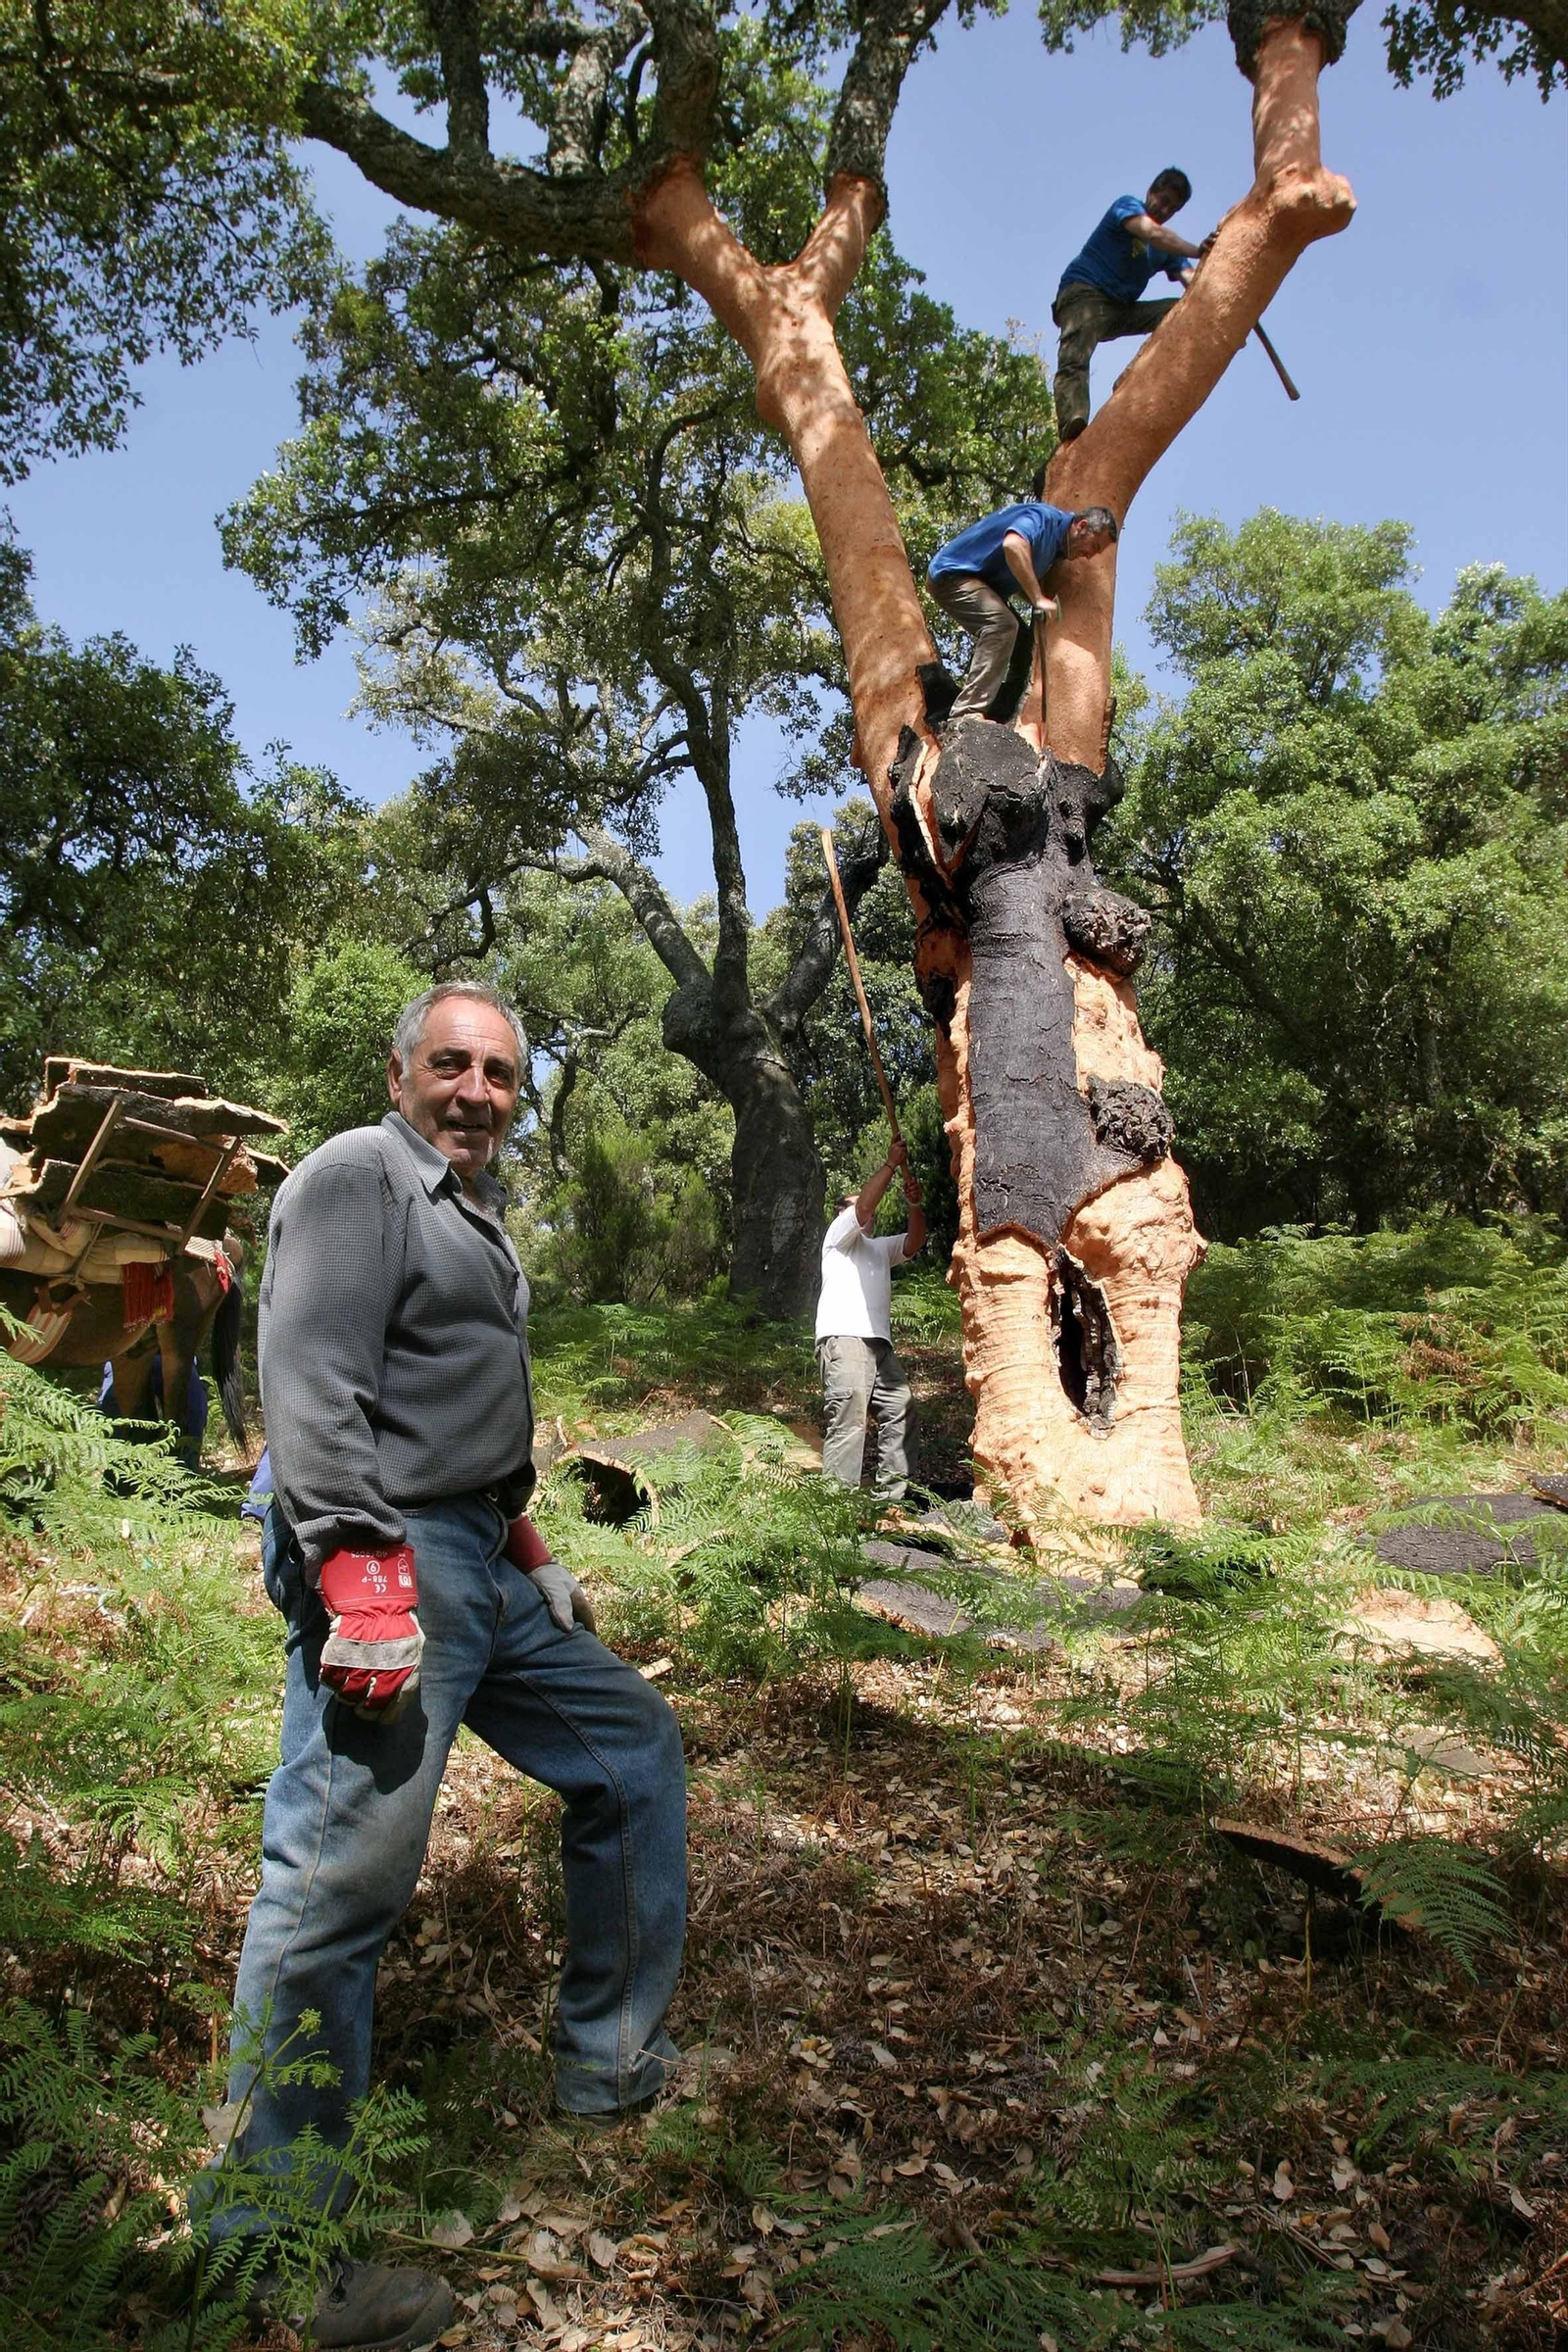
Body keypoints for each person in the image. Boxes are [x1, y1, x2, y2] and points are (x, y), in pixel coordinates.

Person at [205, 981, 687, 2350]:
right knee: (338, 1879)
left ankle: (609, 2063)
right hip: (394, 1561)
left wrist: (532, 1547)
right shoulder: (360, 1176)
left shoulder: (465, 1208)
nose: (477, 1091)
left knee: (634, 1752)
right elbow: (312, 1381)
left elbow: (454, 1402)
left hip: (481, 1559)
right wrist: (361, 1578)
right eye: (452, 1065)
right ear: (402, 1068)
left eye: (499, 1073)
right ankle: (276, 2242)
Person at [927, 486, 1119, 726]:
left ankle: (1001, 711)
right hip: (951, 575)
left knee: (1022, 643)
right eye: (1095, 546)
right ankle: (965, 715)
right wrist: (1038, 597)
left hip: (979, 583)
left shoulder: (1055, 550)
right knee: (1003, 625)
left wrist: (1035, 600)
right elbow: (1013, 545)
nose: (1090, 556)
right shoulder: (1044, 519)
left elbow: (1017, 573)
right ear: (1081, 526)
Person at [1052, 170, 1207, 442]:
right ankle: (1071, 426)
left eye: (1172, 207)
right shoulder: (1128, 206)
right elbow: (1153, 235)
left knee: (1181, 309)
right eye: (1162, 199)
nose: (1164, 208)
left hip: (1119, 310)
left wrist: (1215, 282)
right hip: (1084, 294)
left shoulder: (1166, 250)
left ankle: (1146, 375)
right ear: (1151, 191)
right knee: (1075, 359)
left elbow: (1191, 279)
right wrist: (1198, 250)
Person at [816, 1141, 926, 1498]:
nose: (869, 1212)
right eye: (854, 1206)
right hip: (844, 1339)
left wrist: (914, 1203)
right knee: (849, 1420)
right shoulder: (837, 1240)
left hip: (880, 1346)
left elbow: (915, 1240)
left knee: (901, 1411)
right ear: (839, 1213)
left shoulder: (879, 1249)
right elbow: (864, 1205)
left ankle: (890, 1502)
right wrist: (891, 1166)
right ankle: (837, 1515)